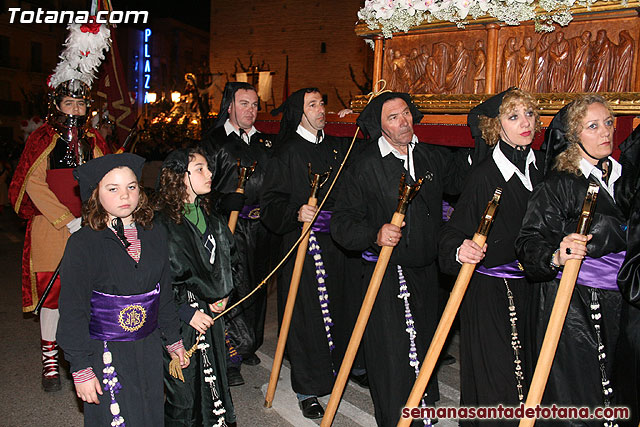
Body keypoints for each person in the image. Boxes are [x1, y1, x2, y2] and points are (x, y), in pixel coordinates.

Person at [331, 92, 470, 426]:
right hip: (386, 272)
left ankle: (420, 409)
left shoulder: (430, 157)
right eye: (393, 117)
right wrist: (374, 235)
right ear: (379, 126)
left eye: (406, 113)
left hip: (429, 271)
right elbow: (342, 222)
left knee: (424, 344)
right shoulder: (365, 166)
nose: (403, 121)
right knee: (393, 353)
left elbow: (465, 182)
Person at [516, 94, 626, 425]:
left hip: (621, 303)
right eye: (593, 126)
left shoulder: (623, 179)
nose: (605, 132)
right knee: (580, 396)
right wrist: (556, 254)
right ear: (575, 134)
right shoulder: (560, 183)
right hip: (576, 306)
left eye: (608, 123)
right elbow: (528, 241)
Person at [57, 153, 188, 426]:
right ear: (96, 194)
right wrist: (80, 366)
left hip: (148, 346)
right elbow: (73, 309)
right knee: (114, 416)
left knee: (149, 411)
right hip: (105, 350)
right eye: (112, 188)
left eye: (131, 186)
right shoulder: (83, 244)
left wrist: (173, 339)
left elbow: (163, 293)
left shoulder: (153, 234)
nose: (125, 195)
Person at [439, 88, 543, 424]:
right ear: (496, 127)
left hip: (532, 287)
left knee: (530, 371)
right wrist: (460, 248)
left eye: (528, 113)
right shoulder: (485, 175)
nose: (525, 122)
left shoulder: (539, 168)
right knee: (498, 379)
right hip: (491, 293)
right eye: (513, 117)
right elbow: (452, 233)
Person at [9, 59, 110, 391]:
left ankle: (89, 353)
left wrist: (97, 215)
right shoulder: (41, 139)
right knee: (52, 296)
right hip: (51, 228)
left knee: (92, 294)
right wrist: (67, 221)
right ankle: (50, 359)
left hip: (90, 226)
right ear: (56, 104)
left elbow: (105, 179)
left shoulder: (93, 138)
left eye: (81, 103)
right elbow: (33, 184)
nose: (76, 108)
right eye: (70, 102)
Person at [260, 88, 355, 419]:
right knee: (306, 316)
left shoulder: (336, 146)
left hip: (337, 244)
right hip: (302, 244)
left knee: (340, 308)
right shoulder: (285, 153)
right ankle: (307, 387)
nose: (321, 109)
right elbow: (270, 204)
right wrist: (295, 213)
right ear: (299, 114)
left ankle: (339, 371)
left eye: (322, 103)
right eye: (312, 105)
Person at [155, 147, 237, 426]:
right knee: (184, 393)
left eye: (208, 168)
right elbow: (152, 280)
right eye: (200, 168)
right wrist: (186, 312)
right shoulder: (160, 223)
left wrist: (223, 293)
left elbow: (230, 259)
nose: (209, 173)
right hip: (178, 319)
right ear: (179, 176)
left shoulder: (212, 218)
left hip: (210, 315)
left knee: (213, 385)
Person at [200, 82, 273, 386]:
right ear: (229, 106)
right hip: (229, 228)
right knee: (232, 289)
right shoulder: (214, 142)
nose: (250, 110)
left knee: (258, 286)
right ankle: (229, 355)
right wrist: (220, 200)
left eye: (255, 105)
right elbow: (196, 186)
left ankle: (249, 344)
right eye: (244, 104)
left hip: (261, 227)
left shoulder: (266, 143)